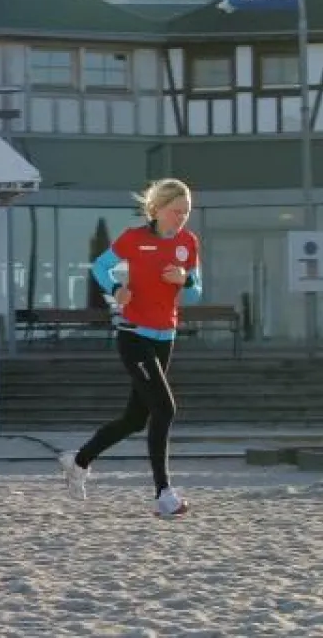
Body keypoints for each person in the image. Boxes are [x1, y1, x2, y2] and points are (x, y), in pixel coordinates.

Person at [59, 178, 201, 518]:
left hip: (165, 337)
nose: (181, 218)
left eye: (186, 212)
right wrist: (115, 289)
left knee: (136, 419)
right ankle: (163, 495)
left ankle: (78, 461)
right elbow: (100, 267)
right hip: (133, 336)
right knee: (165, 409)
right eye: (175, 212)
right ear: (157, 209)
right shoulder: (134, 239)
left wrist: (185, 279)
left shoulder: (188, 243)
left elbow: (195, 294)